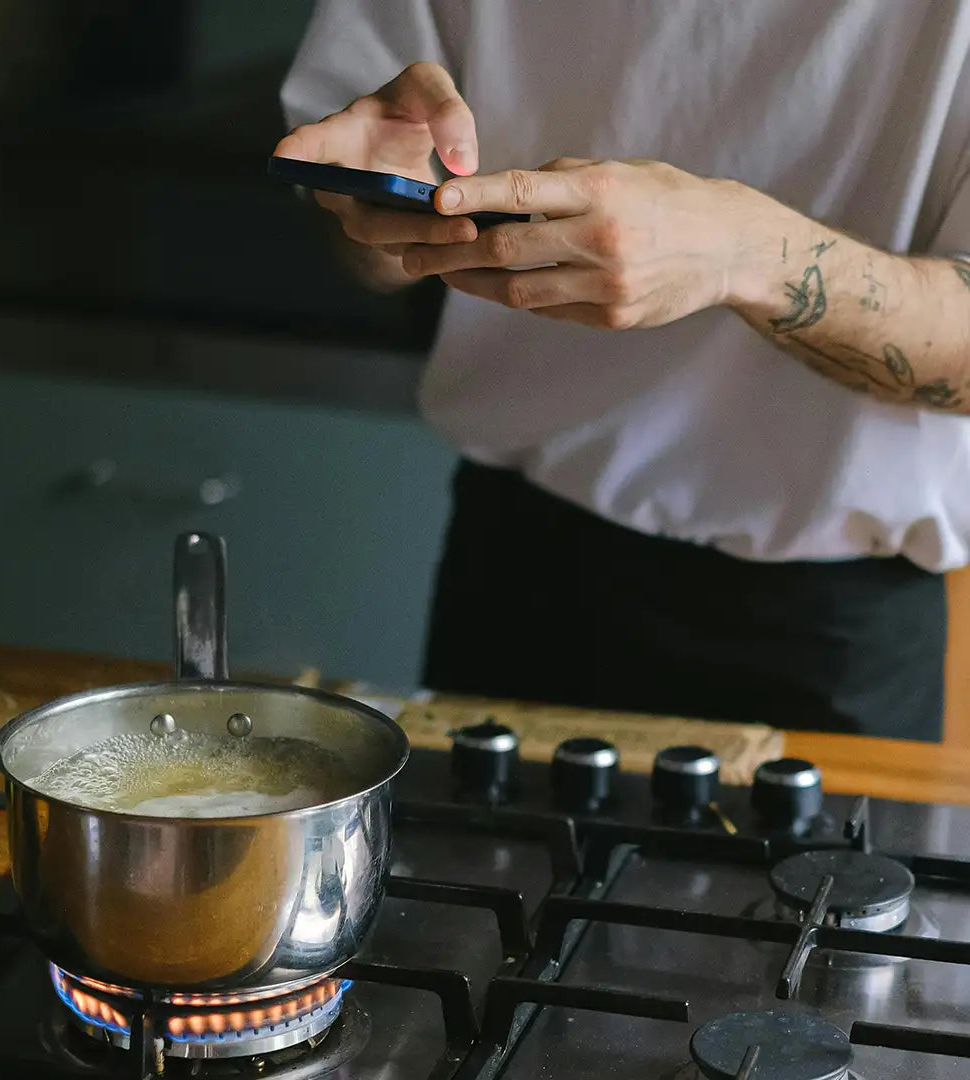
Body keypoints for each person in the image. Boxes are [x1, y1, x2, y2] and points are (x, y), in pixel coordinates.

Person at [276, 1, 970, 742]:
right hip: (515, 563)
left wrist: (740, 250)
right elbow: (355, 220)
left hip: (829, 629)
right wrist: (383, 202)